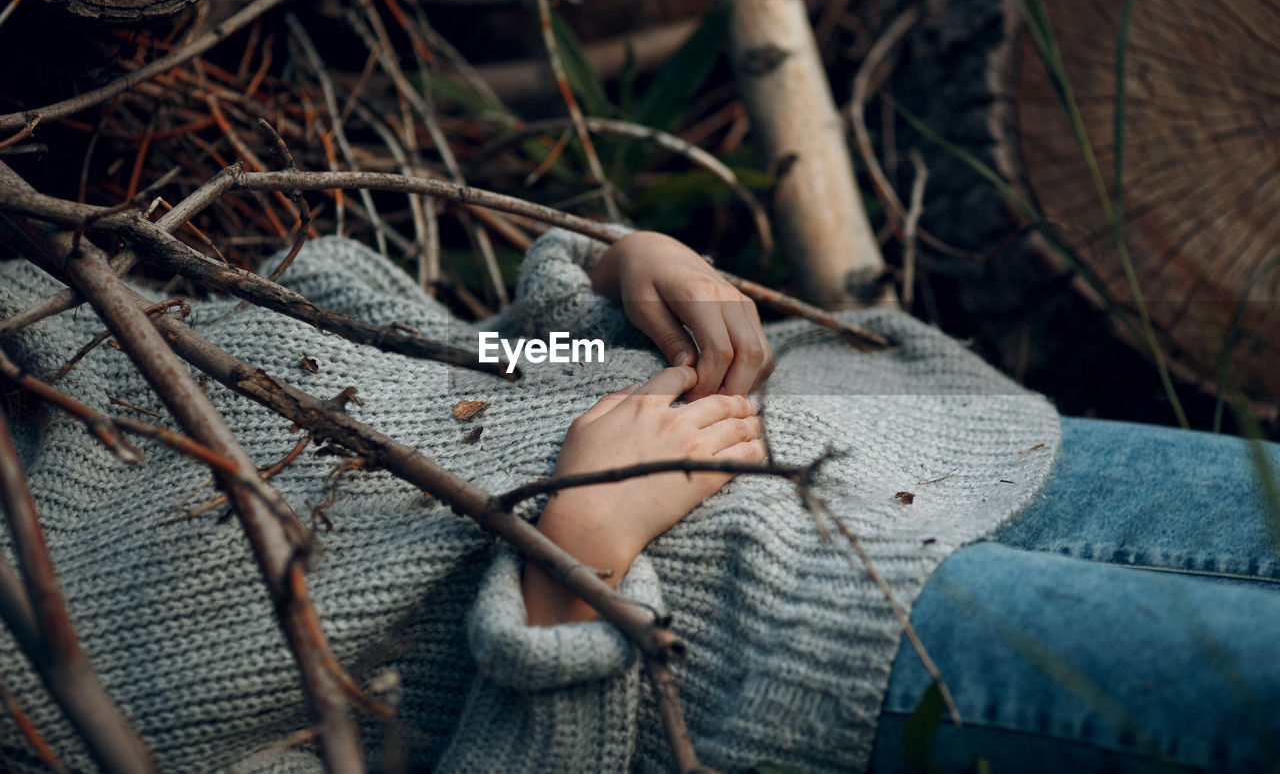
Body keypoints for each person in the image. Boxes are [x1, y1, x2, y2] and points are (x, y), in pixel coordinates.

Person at [0, 226, 1269, 772]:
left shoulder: (55, 316)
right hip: (818, 630)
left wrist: (611, 278)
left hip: (884, 432)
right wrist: (570, 571)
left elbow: (471, 357)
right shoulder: (27, 709)